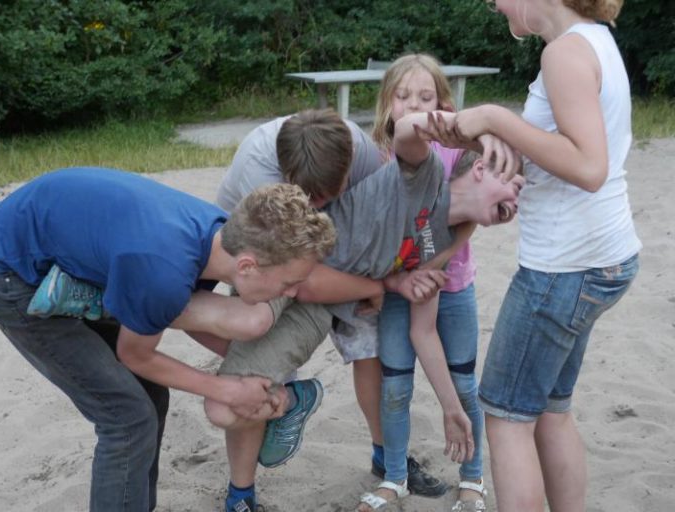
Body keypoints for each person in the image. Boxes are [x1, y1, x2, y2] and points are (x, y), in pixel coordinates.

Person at [0, 167, 336, 512]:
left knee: (151, 395)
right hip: (3, 271)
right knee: (126, 418)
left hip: (62, 257)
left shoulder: (218, 239)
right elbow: (136, 354)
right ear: (248, 267)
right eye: (289, 283)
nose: (294, 291)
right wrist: (228, 390)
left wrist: (258, 372)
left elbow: (168, 316)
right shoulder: (164, 271)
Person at [206, 111, 523, 512]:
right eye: (515, 184)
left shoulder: (442, 243)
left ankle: (359, 440)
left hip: (326, 299)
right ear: (480, 168)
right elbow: (406, 128)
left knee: (231, 403)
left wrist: (451, 408)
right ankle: (242, 493)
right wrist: (477, 131)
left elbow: (423, 331)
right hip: (284, 269)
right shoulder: (424, 174)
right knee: (248, 341)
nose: (518, 201)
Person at [433, 1, 641, 510]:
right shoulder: (593, 41)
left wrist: (495, 117)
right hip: (601, 259)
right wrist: (494, 143)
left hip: (563, 269)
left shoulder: (564, 54)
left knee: (506, 417)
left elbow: (588, 167)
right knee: (549, 409)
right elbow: (565, 152)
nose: (494, 5)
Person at [370, 53, 491, 512]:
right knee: (395, 386)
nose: (414, 106)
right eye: (403, 97)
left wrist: (433, 263)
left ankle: (472, 478)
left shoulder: (457, 152)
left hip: (453, 282)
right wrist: (393, 279)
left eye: (425, 97)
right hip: (399, 286)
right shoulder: (379, 156)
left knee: (464, 383)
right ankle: (394, 476)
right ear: (387, 103)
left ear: (443, 105)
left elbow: (470, 216)